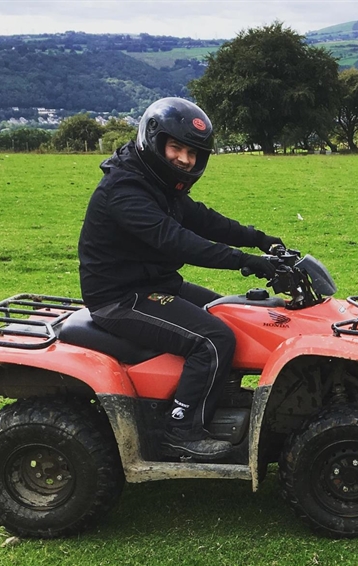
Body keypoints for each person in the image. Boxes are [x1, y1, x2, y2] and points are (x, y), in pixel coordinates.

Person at [78, 97, 281, 461]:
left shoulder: (157, 182)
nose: (184, 159)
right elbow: (178, 241)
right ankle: (181, 432)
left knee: (233, 314)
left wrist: (259, 238)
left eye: (192, 153)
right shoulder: (125, 190)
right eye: (176, 148)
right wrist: (246, 262)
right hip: (121, 298)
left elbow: (202, 219)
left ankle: (217, 400)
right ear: (154, 142)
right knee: (213, 339)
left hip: (156, 285)